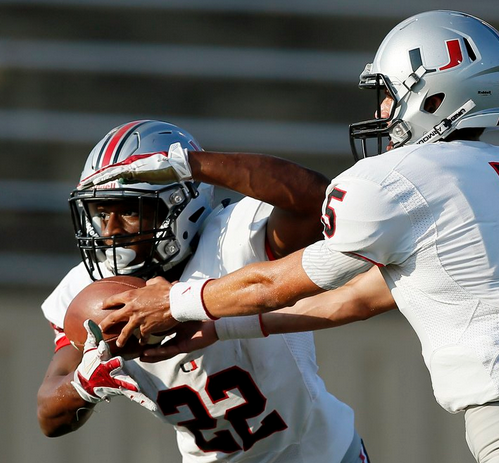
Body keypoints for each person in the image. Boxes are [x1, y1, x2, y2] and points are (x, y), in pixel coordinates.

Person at [91, 11, 499, 463]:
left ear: (432, 90)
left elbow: (276, 281)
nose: (383, 111)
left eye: (388, 93)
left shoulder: (405, 178)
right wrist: (222, 330)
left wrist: (176, 302)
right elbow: (360, 298)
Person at [37, 120, 371, 463]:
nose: (111, 232)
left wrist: (189, 163)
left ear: (182, 205)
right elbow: (49, 416)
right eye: (101, 212)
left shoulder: (233, 240)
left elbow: (319, 200)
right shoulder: (84, 292)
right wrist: (82, 386)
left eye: (130, 211)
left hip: (319, 453)